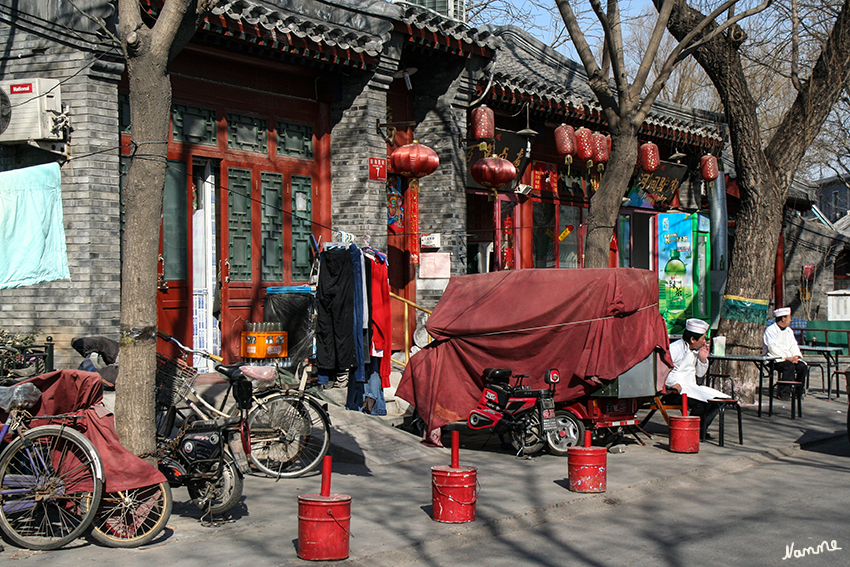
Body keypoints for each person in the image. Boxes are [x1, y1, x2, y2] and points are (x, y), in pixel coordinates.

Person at [665, 318, 730, 433]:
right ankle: (693, 431)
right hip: (674, 392)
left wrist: (702, 359)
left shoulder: (694, 350)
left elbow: (699, 374)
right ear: (693, 339)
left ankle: (701, 430)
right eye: (703, 338)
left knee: (719, 401)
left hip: (691, 388)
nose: (705, 341)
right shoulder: (676, 349)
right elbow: (664, 370)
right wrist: (673, 384)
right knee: (701, 404)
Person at [763, 307, 807, 399]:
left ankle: (798, 392)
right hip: (774, 359)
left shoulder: (789, 331)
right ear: (783, 318)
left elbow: (793, 345)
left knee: (802, 366)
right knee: (788, 366)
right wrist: (786, 357)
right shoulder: (770, 330)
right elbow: (772, 348)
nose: (790, 320)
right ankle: (784, 393)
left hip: (789, 358)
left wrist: (795, 356)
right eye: (789, 317)